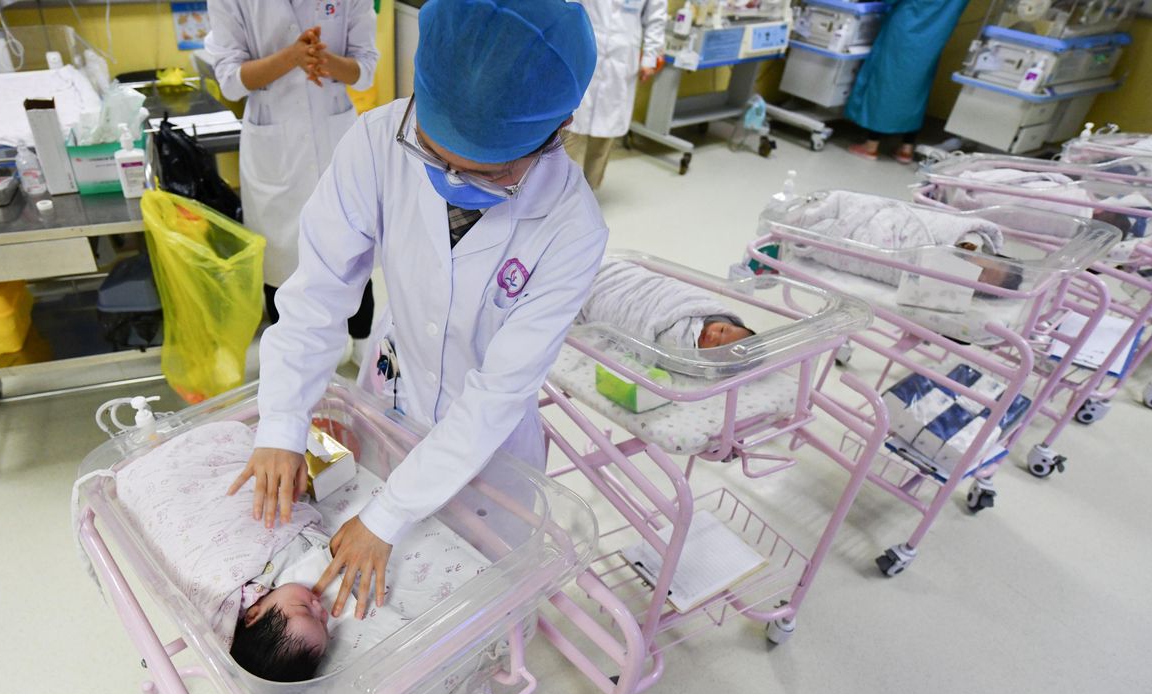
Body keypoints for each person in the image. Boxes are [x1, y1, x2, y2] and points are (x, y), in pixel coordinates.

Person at [229, 0, 605, 622]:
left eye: (485, 173)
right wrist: (281, 423)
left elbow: (497, 394)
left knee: (472, 614)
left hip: (490, 451)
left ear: (558, 129)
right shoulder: (378, 142)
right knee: (377, 607)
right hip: (391, 399)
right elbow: (318, 293)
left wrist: (390, 517)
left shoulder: (571, 229)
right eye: (432, 153)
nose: (451, 178)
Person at [205, 0, 379, 363]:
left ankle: (363, 348)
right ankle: (294, 359)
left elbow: (365, 71)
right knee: (282, 258)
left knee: (351, 247)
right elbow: (231, 82)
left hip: (335, 133)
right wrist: (292, 57)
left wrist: (323, 61)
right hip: (275, 143)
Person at [115, 421, 332, 683]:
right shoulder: (275, 587)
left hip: (181, 497)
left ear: (253, 614)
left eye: (306, 610)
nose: (321, 607)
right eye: (323, 622)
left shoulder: (226, 602)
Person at [844, 0, 970, 163]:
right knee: (917, 87)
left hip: (906, 26)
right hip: (935, 35)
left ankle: (871, 145)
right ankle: (906, 148)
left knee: (887, 80)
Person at [564, 0, 667, 190]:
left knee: (605, 134)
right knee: (571, 129)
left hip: (622, 58)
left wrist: (650, 58)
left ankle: (589, 193)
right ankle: (561, 195)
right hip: (586, 45)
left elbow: (656, 18)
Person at [577, 257, 754, 349]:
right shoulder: (705, 306)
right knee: (603, 269)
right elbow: (677, 292)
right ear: (729, 321)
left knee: (588, 290)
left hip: (615, 301)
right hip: (632, 282)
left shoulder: (681, 345)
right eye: (723, 330)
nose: (714, 336)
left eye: (717, 346)